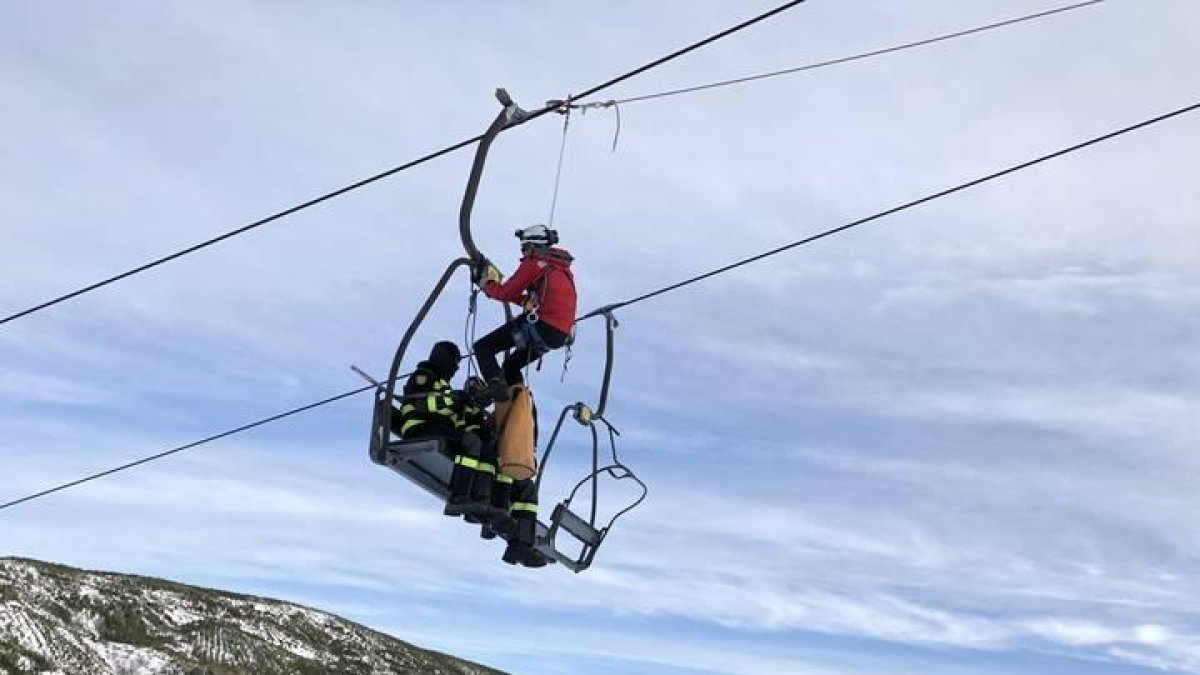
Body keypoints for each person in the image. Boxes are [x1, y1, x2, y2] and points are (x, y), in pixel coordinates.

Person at [472, 224, 577, 403]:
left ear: (533, 245)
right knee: (511, 366)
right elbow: (524, 298)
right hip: (557, 336)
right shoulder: (559, 268)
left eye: (524, 248)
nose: (523, 253)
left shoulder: (535, 263)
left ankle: (496, 386)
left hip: (541, 326)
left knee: (483, 347)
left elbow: (505, 293)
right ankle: (518, 406)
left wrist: (487, 284)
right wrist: (516, 298)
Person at [391, 341, 490, 518]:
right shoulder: (424, 375)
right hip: (419, 426)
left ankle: (476, 500)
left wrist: (473, 409)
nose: (456, 369)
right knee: (471, 443)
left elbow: (453, 418)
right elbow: (420, 404)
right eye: (455, 363)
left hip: (437, 427)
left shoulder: (444, 385)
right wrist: (455, 399)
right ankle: (458, 498)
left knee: (477, 444)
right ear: (444, 358)